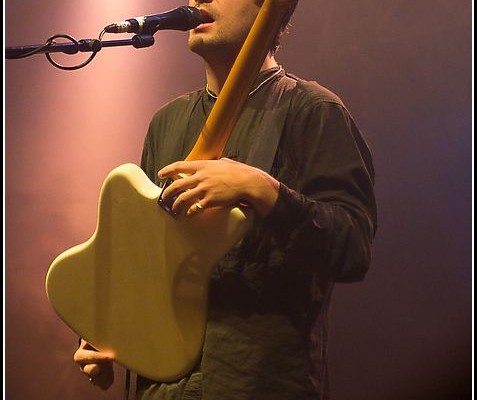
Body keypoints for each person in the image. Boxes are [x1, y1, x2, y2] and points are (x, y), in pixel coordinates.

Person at [73, 0, 377, 399]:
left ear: (272, 8)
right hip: (161, 390)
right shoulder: (167, 120)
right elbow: (143, 257)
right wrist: (105, 328)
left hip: (258, 384)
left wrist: (264, 191)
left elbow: (353, 246)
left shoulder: (314, 110)